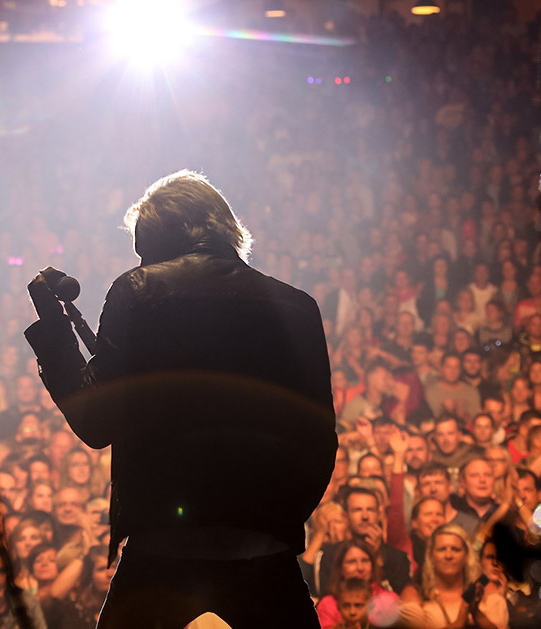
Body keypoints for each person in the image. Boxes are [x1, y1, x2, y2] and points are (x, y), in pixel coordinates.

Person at [25, 171, 337, 628]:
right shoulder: (298, 306)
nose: (142, 263)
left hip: (162, 547)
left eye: (143, 251)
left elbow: (95, 424)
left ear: (158, 239)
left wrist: (54, 329)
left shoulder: (138, 289)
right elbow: (319, 441)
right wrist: (274, 520)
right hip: (262, 549)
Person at [399, 524, 508, 629]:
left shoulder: (487, 593)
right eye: (442, 549)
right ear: (431, 556)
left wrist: (477, 614)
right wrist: (459, 622)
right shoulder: (414, 594)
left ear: (466, 556)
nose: (448, 556)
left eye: (455, 549)